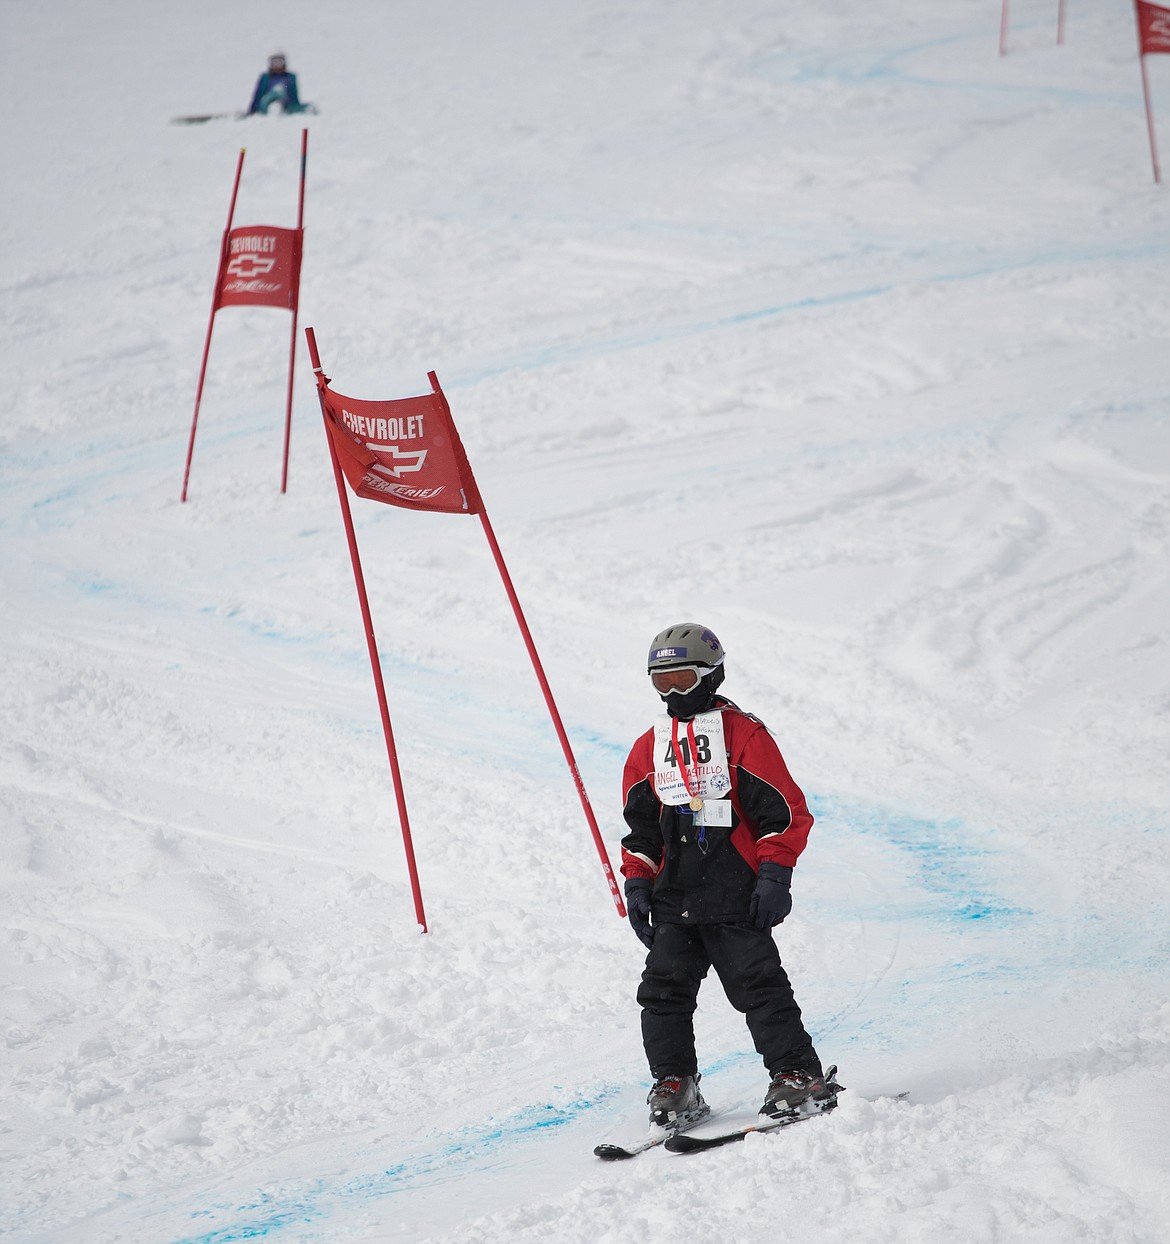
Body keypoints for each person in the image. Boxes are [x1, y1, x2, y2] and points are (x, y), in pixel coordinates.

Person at [620, 622, 838, 1130]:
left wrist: (774, 875)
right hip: (675, 898)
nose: (672, 693)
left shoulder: (744, 735)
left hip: (736, 892)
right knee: (662, 992)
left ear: (711, 676)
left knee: (757, 986)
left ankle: (798, 1075)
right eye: (661, 682)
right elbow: (641, 829)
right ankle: (676, 1084)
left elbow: (783, 814)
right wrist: (638, 882)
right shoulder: (650, 746)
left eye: (682, 679)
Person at [247, 53, 313, 115]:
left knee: (280, 90)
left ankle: (280, 108)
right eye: (275, 63)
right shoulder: (266, 77)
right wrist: (253, 109)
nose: (277, 66)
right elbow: (259, 93)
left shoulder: (290, 77)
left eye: (279, 62)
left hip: (284, 101)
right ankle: (272, 108)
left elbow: (293, 93)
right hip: (267, 102)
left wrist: (295, 106)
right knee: (276, 90)